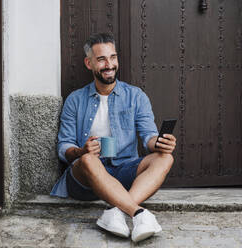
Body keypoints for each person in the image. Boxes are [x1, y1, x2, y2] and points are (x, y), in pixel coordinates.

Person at [50, 33, 176, 242]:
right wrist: (82, 151)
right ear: (88, 63)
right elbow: (64, 148)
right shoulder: (75, 100)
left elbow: (148, 137)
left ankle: (115, 211)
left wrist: (161, 143)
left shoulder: (136, 96)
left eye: (113, 57)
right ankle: (138, 214)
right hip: (86, 178)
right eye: (101, 59)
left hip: (123, 170)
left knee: (166, 158)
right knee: (89, 160)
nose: (109, 65)